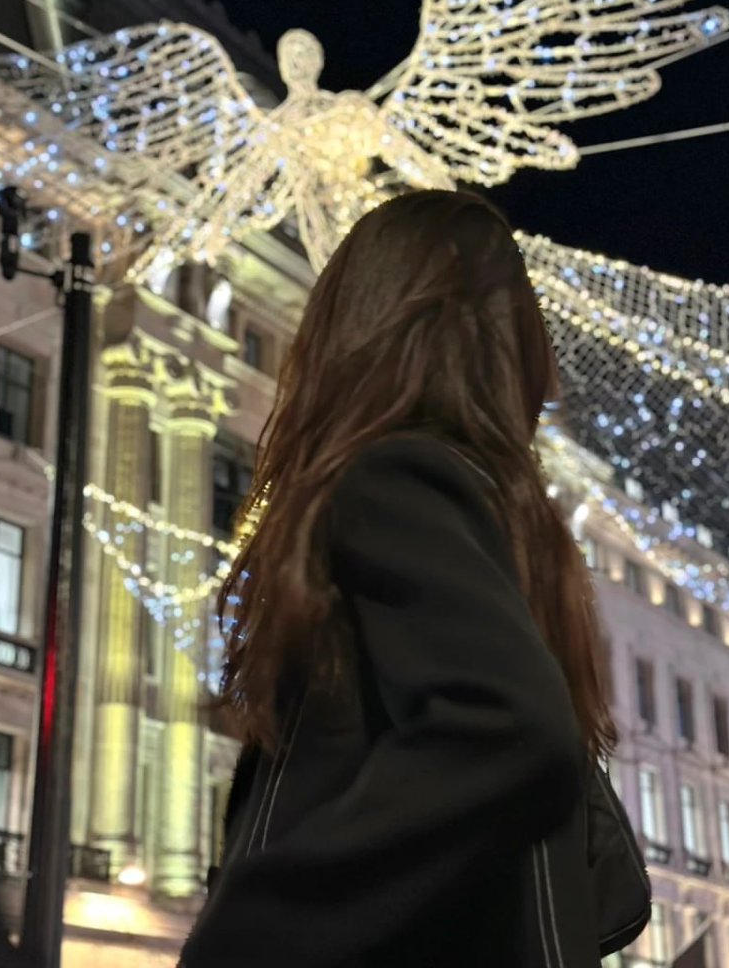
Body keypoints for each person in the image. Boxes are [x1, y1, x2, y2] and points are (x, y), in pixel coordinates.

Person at [180, 189, 646, 968]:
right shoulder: (516, 533)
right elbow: (602, 881)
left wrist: (252, 930)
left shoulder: (388, 477)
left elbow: (507, 727)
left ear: (354, 326)